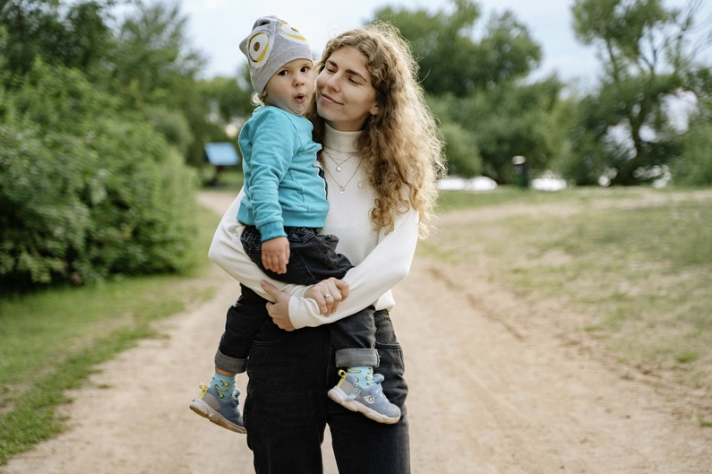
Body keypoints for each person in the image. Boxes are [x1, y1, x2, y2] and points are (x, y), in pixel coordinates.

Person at [209, 21, 445, 473]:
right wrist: (295, 298)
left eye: (353, 78)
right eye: (329, 68)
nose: (330, 83)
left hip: (365, 347)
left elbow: (392, 264)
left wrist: (305, 310)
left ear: (379, 103)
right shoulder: (287, 146)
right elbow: (226, 245)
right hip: (281, 347)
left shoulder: (398, 170)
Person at [190, 15, 401, 433]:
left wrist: (298, 302)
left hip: (285, 242)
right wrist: (273, 235)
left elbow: (397, 264)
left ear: (378, 100)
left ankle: (220, 384)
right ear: (265, 88)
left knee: (249, 305)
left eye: (306, 68)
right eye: (285, 74)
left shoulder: (300, 129)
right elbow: (260, 183)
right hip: (289, 237)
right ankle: (358, 378)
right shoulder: (278, 124)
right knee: (343, 277)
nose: (306, 81)